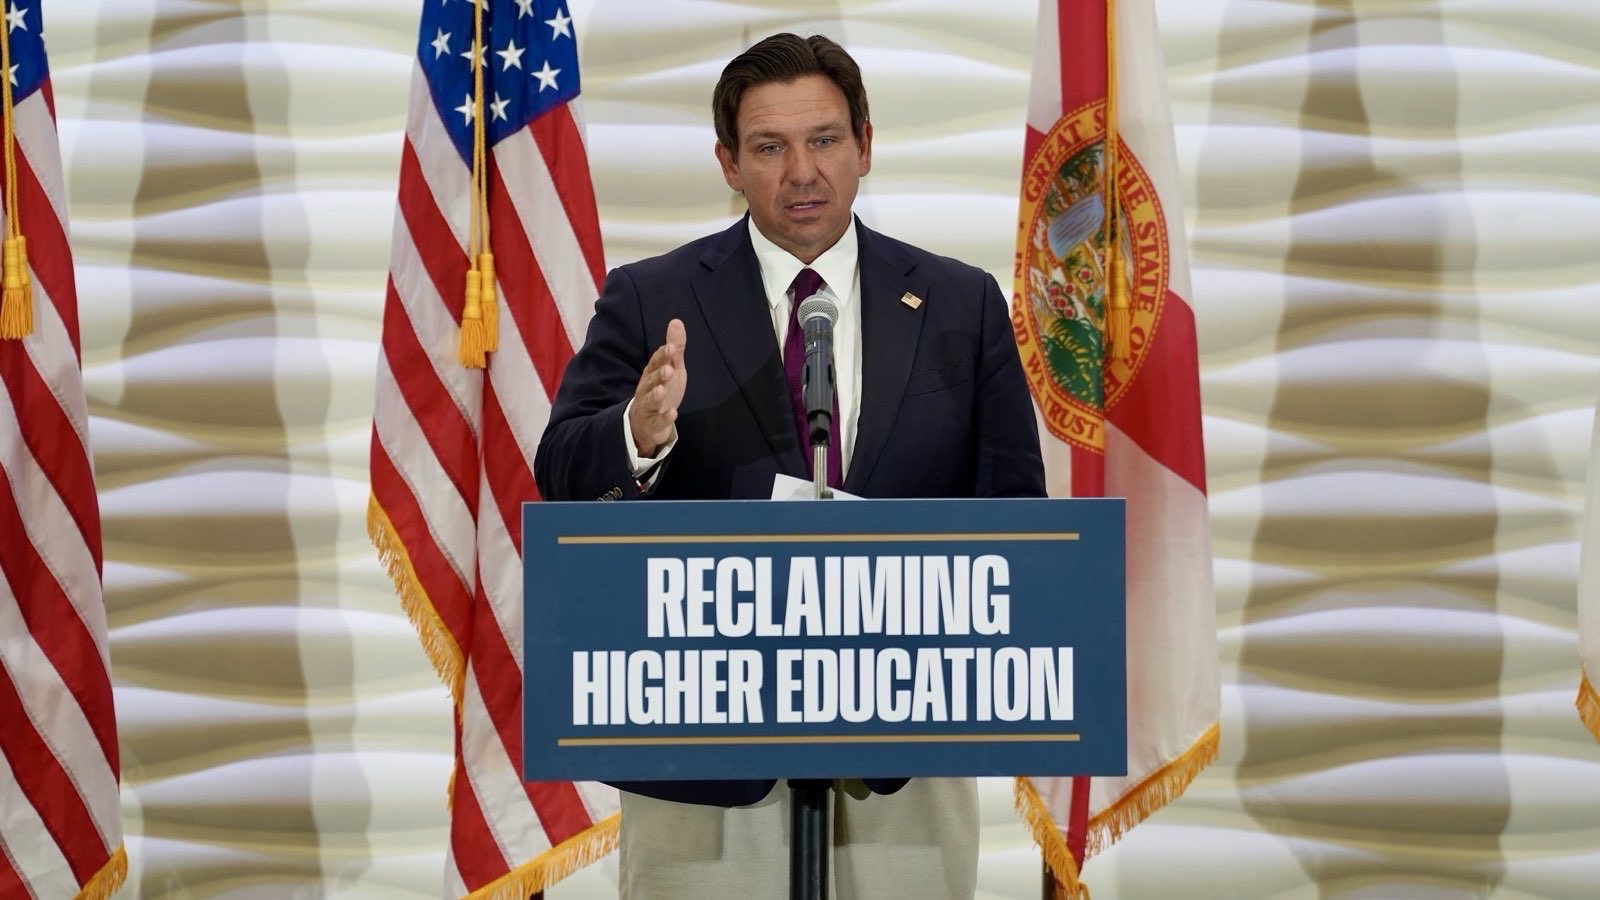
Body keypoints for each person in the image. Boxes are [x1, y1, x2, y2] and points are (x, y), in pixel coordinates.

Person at [534, 32, 1045, 900]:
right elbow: (561, 475)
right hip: (702, 751)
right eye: (769, 147)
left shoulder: (960, 304)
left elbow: (1015, 514)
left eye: (825, 140)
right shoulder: (653, 297)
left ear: (865, 146)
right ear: (729, 164)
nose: (802, 172)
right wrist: (637, 434)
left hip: (904, 754)